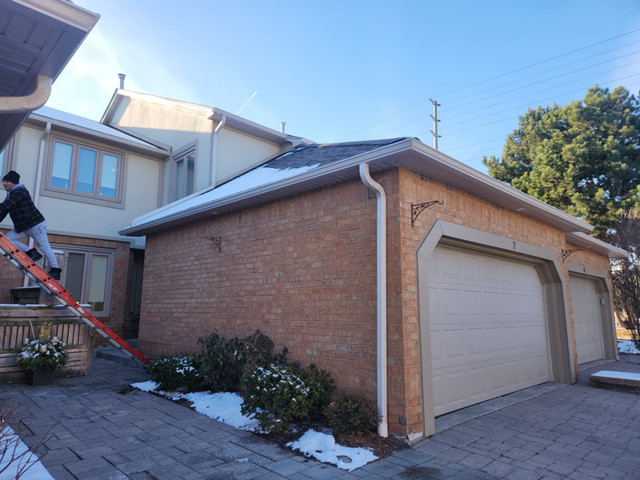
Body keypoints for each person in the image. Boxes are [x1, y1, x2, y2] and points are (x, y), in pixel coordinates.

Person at [0, 170, 61, 280]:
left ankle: (55, 270)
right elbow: (4, 211)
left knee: (44, 247)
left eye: (7, 181)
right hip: (23, 227)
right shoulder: (10, 194)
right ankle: (30, 252)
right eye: (3, 181)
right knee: (6, 240)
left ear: (14, 182)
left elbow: (6, 205)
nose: (4, 183)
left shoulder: (20, 191)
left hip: (35, 225)